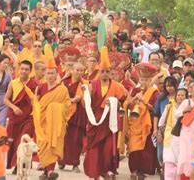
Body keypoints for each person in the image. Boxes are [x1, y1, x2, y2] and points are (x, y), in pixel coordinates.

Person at [83, 47, 127, 179]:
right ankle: (95, 172)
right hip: (95, 122)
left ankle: (106, 170)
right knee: (95, 149)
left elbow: (124, 102)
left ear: (110, 72)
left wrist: (115, 102)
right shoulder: (92, 85)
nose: (105, 74)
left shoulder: (116, 86)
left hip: (109, 122)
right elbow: (86, 104)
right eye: (102, 71)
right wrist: (86, 95)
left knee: (108, 149)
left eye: (107, 72)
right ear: (99, 72)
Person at [33, 46, 70, 179]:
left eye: (52, 73)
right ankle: (45, 170)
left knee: (53, 146)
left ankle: (49, 171)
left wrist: (55, 108)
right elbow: (36, 104)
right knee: (43, 146)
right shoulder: (40, 87)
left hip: (56, 124)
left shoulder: (62, 89)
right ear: (44, 74)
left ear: (56, 74)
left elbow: (67, 106)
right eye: (48, 73)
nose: (50, 75)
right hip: (42, 123)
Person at [127, 63, 160, 179]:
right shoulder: (135, 90)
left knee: (146, 148)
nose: (144, 82)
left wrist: (145, 102)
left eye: (146, 79)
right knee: (134, 147)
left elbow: (156, 109)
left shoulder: (155, 92)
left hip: (148, 123)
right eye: (142, 79)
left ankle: (142, 171)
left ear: (151, 80)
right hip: (135, 122)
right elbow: (128, 105)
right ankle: (133, 170)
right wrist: (135, 98)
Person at [4, 60, 38, 172]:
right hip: (15, 116)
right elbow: (6, 99)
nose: (23, 71)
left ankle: (20, 165)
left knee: (23, 140)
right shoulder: (13, 83)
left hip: (28, 117)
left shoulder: (34, 85)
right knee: (13, 141)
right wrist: (14, 107)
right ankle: (15, 164)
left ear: (30, 71)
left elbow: (37, 102)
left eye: (26, 69)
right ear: (19, 69)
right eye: (22, 68)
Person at [58, 62, 88, 172]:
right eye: (77, 70)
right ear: (72, 70)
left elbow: (87, 101)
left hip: (78, 114)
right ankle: (61, 161)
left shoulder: (85, 84)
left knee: (76, 139)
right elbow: (59, 96)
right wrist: (70, 100)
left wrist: (82, 97)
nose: (79, 73)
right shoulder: (64, 82)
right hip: (65, 113)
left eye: (81, 70)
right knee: (64, 139)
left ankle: (75, 163)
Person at [160, 88, 188, 180]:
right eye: (178, 95)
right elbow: (161, 122)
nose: (180, 97)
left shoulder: (189, 109)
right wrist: (160, 133)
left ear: (186, 97)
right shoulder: (169, 107)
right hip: (169, 137)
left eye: (182, 95)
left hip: (183, 138)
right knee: (169, 161)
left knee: (180, 163)